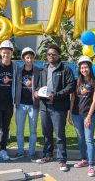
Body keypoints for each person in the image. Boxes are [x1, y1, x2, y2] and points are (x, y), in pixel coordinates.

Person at [34, 44, 75, 172]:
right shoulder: (43, 69)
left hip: (59, 107)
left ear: (59, 56)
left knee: (60, 134)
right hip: (44, 106)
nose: (50, 56)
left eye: (53, 54)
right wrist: (36, 92)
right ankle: (48, 155)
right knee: (46, 133)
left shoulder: (65, 70)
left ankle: (62, 160)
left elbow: (71, 86)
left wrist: (56, 96)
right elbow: (38, 86)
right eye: (48, 54)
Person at [69, 56, 95, 177]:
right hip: (76, 115)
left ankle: (91, 165)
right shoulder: (77, 82)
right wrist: (70, 115)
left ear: (90, 68)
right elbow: (72, 99)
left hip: (88, 115)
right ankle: (84, 160)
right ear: (79, 69)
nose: (84, 69)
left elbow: (94, 102)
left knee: (89, 140)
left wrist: (89, 116)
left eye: (86, 67)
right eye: (82, 67)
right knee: (80, 139)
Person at [0, 40, 18, 161]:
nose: (6, 55)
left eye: (8, 53)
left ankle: (4, 150)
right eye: (4, 52)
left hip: (9, 103)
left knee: (6, 128)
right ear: (0, 53)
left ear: (12, 53)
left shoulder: (15, 66)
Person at [11, 47, 40, 162]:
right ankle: (20, 151)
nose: (29, 60)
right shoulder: (18, 71)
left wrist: (37, 90)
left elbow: (41, 84)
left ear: (33, 59)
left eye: (31, 57)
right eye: (27, 57)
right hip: (21, 105)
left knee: (33, 130)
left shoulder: (38, 71)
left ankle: (32, 152)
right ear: (23, 59)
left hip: (33, 105)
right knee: (20, 130)